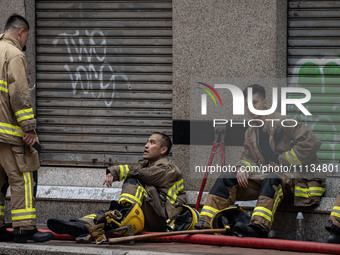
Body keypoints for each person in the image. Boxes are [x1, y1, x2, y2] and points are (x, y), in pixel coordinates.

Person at [195, 84, 326, 238]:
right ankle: (205, 222)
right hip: (271, 181)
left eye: (254, 102)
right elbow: (248, 158)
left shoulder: (283, 121)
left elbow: (311, 142)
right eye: (246, 104)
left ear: (265, 102)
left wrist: (283, 160)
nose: (250, 108)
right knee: (227, 177)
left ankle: (259, 227)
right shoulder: (251, 131)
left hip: (297, 181)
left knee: (272, 176)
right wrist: (242, 168)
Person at [48, 132, 187, 238]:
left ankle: (120, 216)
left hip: (164, 221)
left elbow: (146, 175)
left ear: (163, 150)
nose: (146, 145)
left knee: (133, 180)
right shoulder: (145, 166)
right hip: (148, 215)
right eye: (146, 142)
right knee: (104, 215)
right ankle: (80, 224)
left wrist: (117, 171)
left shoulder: (169, 169)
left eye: (152, 143)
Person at [0, 14, 53, 243]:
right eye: (26, 37)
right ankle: (25, 229)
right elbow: (19, 94)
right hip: (10, 134)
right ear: (21, 32)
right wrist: (29, 128)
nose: (25, 42)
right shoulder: (14, 54)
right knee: (23, 178)